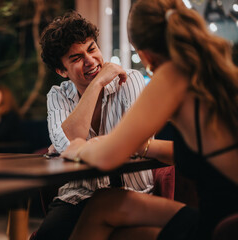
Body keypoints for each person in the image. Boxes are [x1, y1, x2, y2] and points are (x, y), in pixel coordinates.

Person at [62, 0, 238, 239]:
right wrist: (144, 146)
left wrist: (79, 148)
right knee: (108, 205)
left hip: (220, 226)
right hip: (227, 217)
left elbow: (106, 158)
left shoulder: (172, 75)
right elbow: (209, 153)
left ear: (143, 52)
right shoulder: (216, 71)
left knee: (111, 223)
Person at [34, 11, 154, 240]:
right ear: (61, 71)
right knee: (49, 235)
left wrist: (81, 147)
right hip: (78, 195)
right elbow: (67, 145)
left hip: (130, 192)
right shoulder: (58, 96)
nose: (90, 60)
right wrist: (97, 83)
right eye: (76, 58)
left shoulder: (129, 80)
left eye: (91, 49)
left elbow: (135, 140)